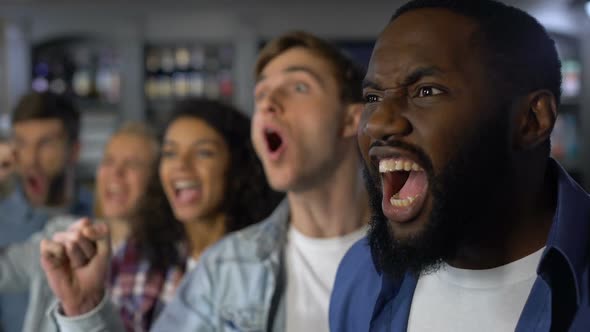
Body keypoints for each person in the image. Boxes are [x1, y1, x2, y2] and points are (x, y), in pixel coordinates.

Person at [41, 31, 369, 332]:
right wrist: (85, 309)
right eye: (262, 93)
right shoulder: (226, 268)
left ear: (352, 119)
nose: (268, 103)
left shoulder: (415, 257)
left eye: (299, 87)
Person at [330, 1, 590, 331]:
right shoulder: (361, 273)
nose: (377, 124)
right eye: (372, 97)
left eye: (426, 91)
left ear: (531, 120)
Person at [42, 98, 283, 331]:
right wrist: (84, 309)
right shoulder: (138, 254)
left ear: (238, 166)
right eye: (170, 153)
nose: (181, 165)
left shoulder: (264, 262)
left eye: (203, 153)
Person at [0, 121, 158, 332]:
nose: (116, 173)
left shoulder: (169, 261)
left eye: (133, 164)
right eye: (108, 161)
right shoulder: (64, 237)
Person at [0, 91, 92, 332]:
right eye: (21, 143)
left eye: (46, 144)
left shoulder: (98, 218)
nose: (30, 159)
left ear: (74, 150)